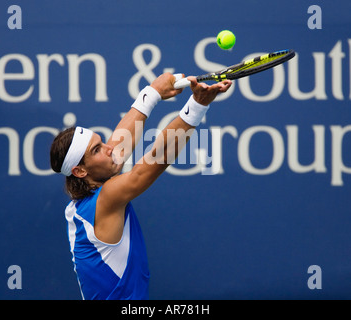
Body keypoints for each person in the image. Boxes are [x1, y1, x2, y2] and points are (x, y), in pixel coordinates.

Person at [50, 73, 232, 300]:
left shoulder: (87, 199)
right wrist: (197, 105)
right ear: (80, 171)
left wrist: (153, 92)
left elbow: (120, 142)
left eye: (101, 142)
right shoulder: (106, 198)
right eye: (97, 150)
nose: (109, 148)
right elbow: (159, 157)